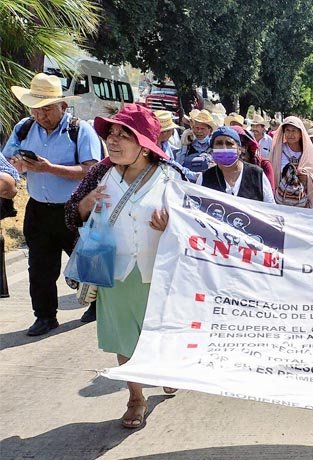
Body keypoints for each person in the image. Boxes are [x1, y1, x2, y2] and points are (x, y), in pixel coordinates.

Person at [64, 104, 181, 428]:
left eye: (123, 135)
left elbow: (191, 230)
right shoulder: (99, 174)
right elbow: (71, 213)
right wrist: (85, 206)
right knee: (124, 338)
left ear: (144, 143)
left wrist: (170, 227)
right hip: (113, 272)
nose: (112, 141)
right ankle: (136, 397)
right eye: (111, 134)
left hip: (157, 274)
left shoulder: (171, 176)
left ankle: (165, 367)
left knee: (157, 336)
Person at [3, 73, 102, 334]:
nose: (40, 116)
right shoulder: (24, 128)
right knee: (39, 268)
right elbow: (8, 161)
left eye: (46, 109)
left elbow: (92, 170)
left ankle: (97, 304)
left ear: (63, 106)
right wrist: (19, 165)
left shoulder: (80, 130)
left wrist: (49, 169)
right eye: (36, 110)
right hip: (38, 209)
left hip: (74, 209)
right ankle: (45, 316)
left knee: (85, 263)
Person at [198, 126, 273, 202]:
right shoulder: (204, 178)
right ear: (212, 150)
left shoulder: (257, 175)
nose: (224, 148)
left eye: (229, 143)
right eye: (219, 143)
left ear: (239, 149)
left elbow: (270, 208)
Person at [269, 116, 313, 209]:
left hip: (304, 203)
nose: (291, 134)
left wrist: (308, 178)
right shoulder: (277, 151)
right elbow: (270, 174)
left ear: (300, 133)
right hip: (281, 201)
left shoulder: (308, 152)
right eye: (288, 130)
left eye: (294, 130)